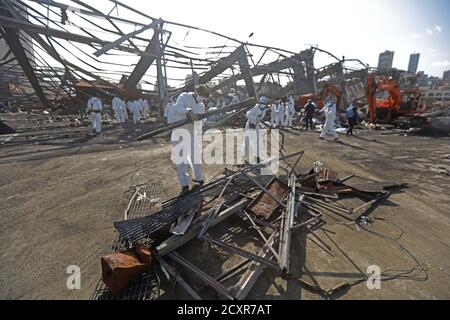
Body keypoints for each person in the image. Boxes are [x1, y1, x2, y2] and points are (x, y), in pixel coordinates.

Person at [171, 84, 209, 194]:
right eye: (200, 95)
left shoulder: (201, 105)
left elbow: (200, 121)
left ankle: (198, 177)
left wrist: (199, 123)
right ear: (196, 92)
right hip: (179, 131)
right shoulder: (184, 97)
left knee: (195, 155)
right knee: (181, 158)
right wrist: (188, 111)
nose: (201, 98)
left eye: (203, 97)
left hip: (192, 132)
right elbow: (177, 108)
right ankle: (184, 184)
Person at [242, 96, 268, 164]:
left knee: (257, 142)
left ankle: (256, 157)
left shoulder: (264, 110)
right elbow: (247, 115)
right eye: (262, 103)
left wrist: (262, 123)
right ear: (260, 102)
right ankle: (243, 157)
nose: (263, 104)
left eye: (264, 103)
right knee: (246, 142)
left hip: (256, 127)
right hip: (249, 126)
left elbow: (261, 119)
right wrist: (255, 117)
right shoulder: (255, 108)